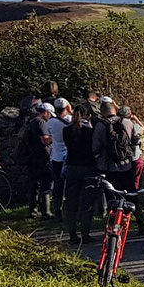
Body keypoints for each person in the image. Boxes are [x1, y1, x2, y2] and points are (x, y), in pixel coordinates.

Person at [61, 103, 100, 245]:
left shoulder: (66, 131)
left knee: (71, 201)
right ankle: (85, 232)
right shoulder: (90, 132)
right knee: (87, 202)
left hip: (72, 167)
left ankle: (72, 234)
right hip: (88, 167)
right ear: (88, 116)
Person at [20, 103, 54, 215]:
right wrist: (55, 138)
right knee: (45, 184)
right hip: (42, 158)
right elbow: (45, 140)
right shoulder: (41, 122)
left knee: (34, 185)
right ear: (46, 112)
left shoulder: (32, 121)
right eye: (49, 114)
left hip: (32, 157)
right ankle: (46, 212)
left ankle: (33, 210)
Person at [44, 97, 70, 218]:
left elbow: (47, 137)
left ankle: (57, 212)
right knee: (70, 185)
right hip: (69, 157)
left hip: (56, 158)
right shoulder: (71, 120)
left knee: (57, 186)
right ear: (66, 107)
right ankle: (69, 210)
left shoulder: (50, 123)